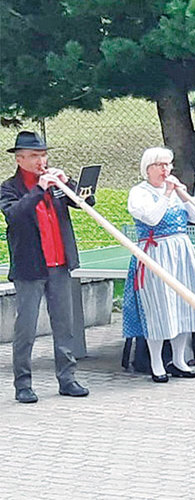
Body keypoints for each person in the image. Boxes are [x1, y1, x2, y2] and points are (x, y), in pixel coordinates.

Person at [1, 131, 91, 403]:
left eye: (43, 154)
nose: (41, 160)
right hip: (30, 267)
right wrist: (39, 189)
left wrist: (69, 183)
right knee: (26, 328)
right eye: (35, 156)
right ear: (20, 159)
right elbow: (14, 216)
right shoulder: (9, 188)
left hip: (60, 263)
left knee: (64, 325)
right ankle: (23, 385)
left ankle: (67, 378)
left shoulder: (55, 183)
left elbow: (87, 202)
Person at [122, 147, 195, 382]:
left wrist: (183, 195)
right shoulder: (139, 193)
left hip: (181, 252)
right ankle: (157, 363)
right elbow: (152, 218)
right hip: (156, 253)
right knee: (159, 307)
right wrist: (168, 193)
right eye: (159, 165)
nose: (165, 169)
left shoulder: (174, 192)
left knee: (184, 305)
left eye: (168, 164)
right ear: (147, 168)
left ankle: (179, 360)